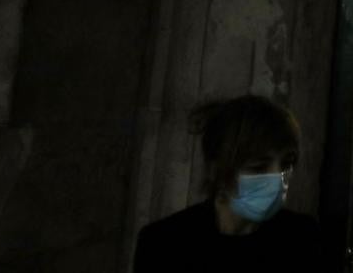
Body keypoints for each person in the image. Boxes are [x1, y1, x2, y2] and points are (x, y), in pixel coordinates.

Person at [134, 95, 329, 272]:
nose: (277, 177)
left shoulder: (301, 239)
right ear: (216, 169)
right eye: (258, 167)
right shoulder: (163, 243)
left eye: (286, 164)